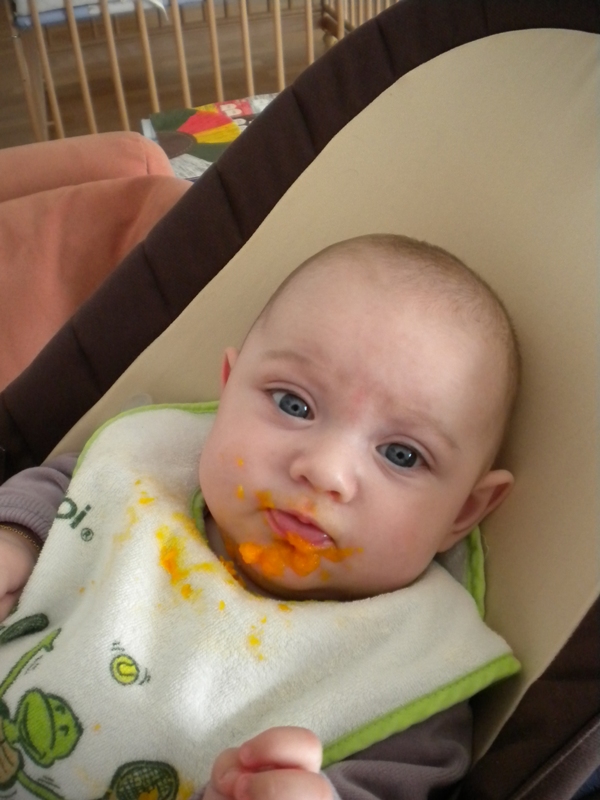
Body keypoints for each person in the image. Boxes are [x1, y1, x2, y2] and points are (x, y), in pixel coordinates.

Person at [0, 234, 520, 800]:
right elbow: (73, 490)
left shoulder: (410, 671)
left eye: (401, 455)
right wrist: (16, 539)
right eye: (294, 404)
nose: (325, 471)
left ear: (463, 512)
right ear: (229, 389)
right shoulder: (153, 470)